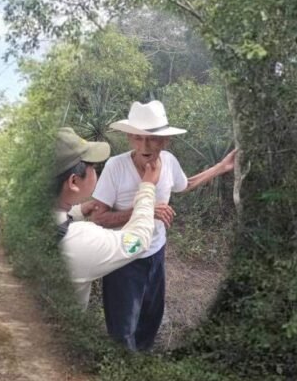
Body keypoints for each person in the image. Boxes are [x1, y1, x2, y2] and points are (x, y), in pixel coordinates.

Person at [89, 100, 237, 351]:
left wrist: (221, 167)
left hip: (155, 252)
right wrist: (145, 212)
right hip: (123, 258)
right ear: (129, 138)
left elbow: (184, 185)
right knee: (123, 328)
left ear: (165, 141)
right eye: (138, 137)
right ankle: (121, 375)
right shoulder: (116, 167)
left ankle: (143, 367)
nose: (145, 145)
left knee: (150, 319)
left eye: (153, 139)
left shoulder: (168, 161)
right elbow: (98, 217)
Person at [54, 127, 160, 312]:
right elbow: (138, 241)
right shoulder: (82, 241)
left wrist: (77, 211)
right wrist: (148, 187)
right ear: (73, 182)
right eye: (92, 167)